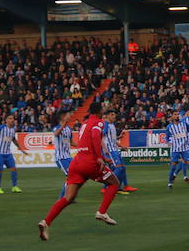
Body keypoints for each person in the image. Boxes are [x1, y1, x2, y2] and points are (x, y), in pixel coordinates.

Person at [38, 102, 120, 241]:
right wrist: (100, 158)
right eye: (103, 110)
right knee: (114, 183)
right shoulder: (99, 122)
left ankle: (46, 222)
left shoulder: (85, 123)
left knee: (68, 198)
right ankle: (102, 212)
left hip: (76, 163)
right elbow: (95, 136)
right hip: (90, 163)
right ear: (99, 112)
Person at [103, 110, 136, 193]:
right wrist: (105, 149)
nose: (114, 116)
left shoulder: (112, 125)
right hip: (110, 151)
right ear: (107, 116)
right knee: (119, 168)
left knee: (122, 168)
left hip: (115, 149)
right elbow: (100, 138)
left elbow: (112, 140)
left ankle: (124, 186)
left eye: (114, 114)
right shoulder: (105, 125)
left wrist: (121, 146)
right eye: (112, 114)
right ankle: (107, 186)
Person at [166, 110, 189, 190]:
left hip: (185, 148)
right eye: (175, 114)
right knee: (173, 166)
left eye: (178, 114)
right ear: (172, 116)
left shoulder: (184, 124)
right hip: (175, 148)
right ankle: (170, 183)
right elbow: (167, 137)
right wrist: (169, 142)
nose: (177, 116)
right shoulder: (169, 127)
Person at [0, 114, 22, 194]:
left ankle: (14, 187)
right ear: (6, 120)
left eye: (12, 118)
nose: (12, 120)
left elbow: (13, 139)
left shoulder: (13, 129)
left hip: (8, 153)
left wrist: (20, 148)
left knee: (14, 169)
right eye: (10, 118)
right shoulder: (1, 127)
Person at [52, 111, 77, 199]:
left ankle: (69, 197)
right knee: (71, 177)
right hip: (61, 158)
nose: (70, 116)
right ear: (63, 117)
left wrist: (81, 146)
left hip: (68, 157)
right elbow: (56, 134)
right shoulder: (57, 128)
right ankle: (62, 198)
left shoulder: (69, 129)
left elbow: (71, 142)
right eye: (68, 115)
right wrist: (64, 124)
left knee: (75, 176)